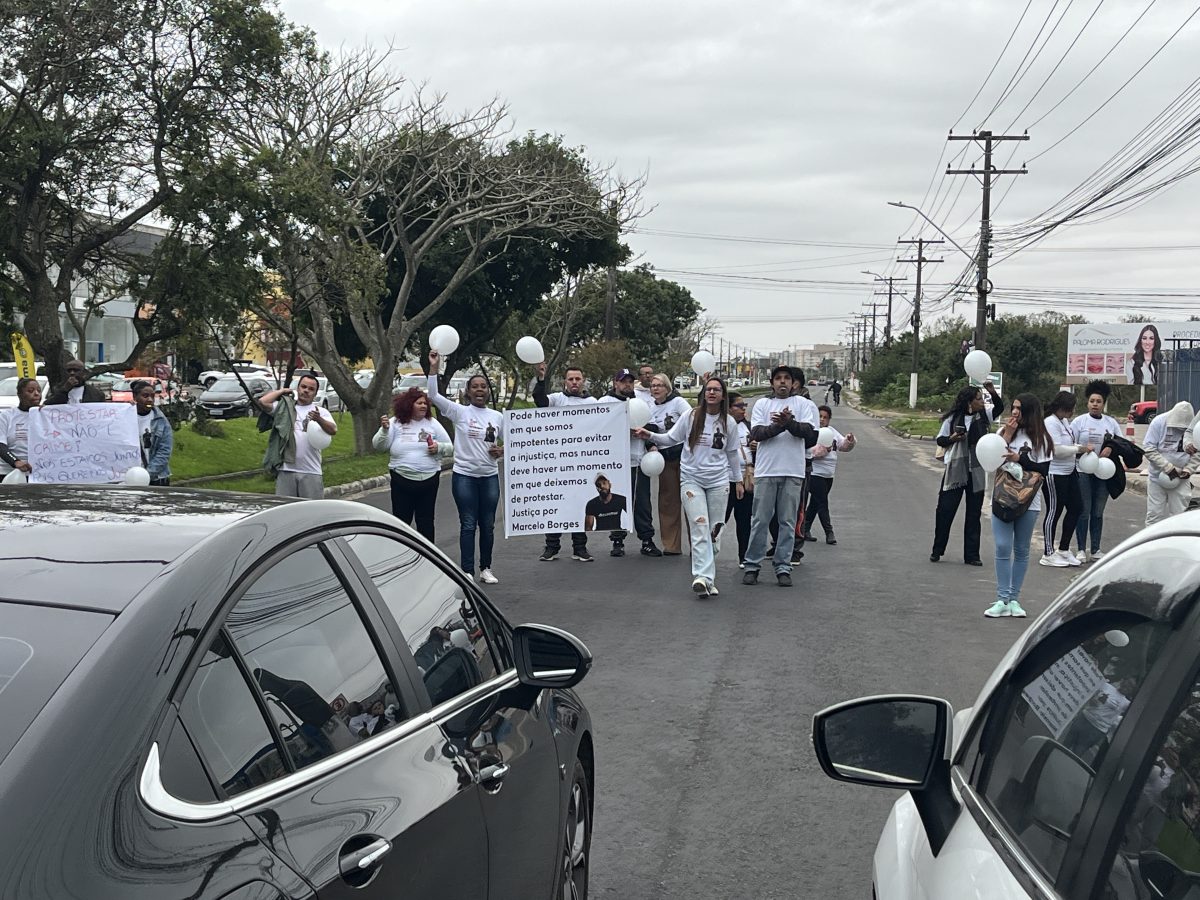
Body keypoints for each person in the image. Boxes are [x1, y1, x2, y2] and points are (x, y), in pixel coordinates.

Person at [638, 377, 742, 596]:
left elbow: (732, 453)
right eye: (709, 389)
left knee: (714, 532)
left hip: (718, 482)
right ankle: (702, 577)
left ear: (722, 395)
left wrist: (738, 480)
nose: (712, 392)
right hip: (691, 479)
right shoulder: (691, 416)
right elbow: (670, 438)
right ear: (704, 393)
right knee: (699, 525)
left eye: (717, 390)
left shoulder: (728, 422)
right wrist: (650, 436)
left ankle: (708, 579)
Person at [428, 350, 503, 584]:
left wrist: (503, 451)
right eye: (475, 387)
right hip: (465, 477)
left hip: (489, 477)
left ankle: (486, 568)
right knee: (468, 523)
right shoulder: (460, 413)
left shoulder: (498, 416)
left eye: (484, 386)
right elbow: (433, 396)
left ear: (488, 392)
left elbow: (513, 443)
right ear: (468, 392)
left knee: (488, 525)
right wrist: (433, 369)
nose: (480, 390)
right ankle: (467, 570)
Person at [742, 365, 818, 587]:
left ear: (794, 383)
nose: (782, 382)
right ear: (772, 383)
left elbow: (811, 436)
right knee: (760, 521)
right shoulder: (762, 405)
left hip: (793, 471)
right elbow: (756, 433)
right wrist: (779, 425)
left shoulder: (804, 405)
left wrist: (789, 423)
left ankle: (783, 566)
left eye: (787, 379)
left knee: (787, 522)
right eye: (778, 379)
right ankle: (752, 565)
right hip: (766, 471)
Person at [985, 393, 1053, 619]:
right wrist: (1007, 435)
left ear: (1030, 412)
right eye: (1013, 407)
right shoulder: (1001, 433)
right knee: (1003, 546)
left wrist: (1019, 459)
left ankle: (1014, 598)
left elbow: (1043, 470)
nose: (1014, 412)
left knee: (1022, 549)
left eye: (1019, 409)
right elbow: (992, 460)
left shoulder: (1042, 439)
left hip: (1028, 501)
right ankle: (1001, 599)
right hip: (1002, 497)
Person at [930, 381, 1004, 565]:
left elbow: (1000, 407)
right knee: (945, 510)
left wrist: (992, 392)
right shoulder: (953, 418)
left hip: (977, 470)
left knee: (973, 514)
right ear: (969, 402)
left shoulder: (984, 416)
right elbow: (940, 440)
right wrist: (952, 438)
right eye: (979, 399)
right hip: (956, 470)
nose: (982, 402)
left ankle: (972, 555)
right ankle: (937, 549)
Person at [533, 362, 597, 562]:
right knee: (557, 504)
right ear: (565, 382)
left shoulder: (593, 402)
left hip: (582, 463)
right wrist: (541, 379)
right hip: (558, 463)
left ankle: (580, 548)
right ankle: (551, 547)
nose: (575, 382)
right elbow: (540, 401)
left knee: (581, 505)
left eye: (578, 379)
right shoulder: (557, 399)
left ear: (583, 381)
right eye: (571, 379)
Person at [373, 386, 452, 542]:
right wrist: (384, 430)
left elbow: (451, 447)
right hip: (401, 479)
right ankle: (402, 552)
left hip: (429, 480)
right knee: (402, 521)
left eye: (425, 403)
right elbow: (379, 446)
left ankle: (429, 556)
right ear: (409, 404)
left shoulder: (432, 423)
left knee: (426, 521)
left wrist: (439, 447)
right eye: (419, 403)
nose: (423, 406)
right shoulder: (395, 422)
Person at [599, 369, 660, 557]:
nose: (627, 385)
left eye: (630, 382)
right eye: (623, 381)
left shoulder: (641, 402)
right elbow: (596, 427)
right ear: (615, 383)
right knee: (614, 502)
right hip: (614, 462)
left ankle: (647, 540)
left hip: (637, 460)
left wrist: (646, 437)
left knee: (642, 503)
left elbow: (653, 425)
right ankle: (617, 540)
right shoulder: (603, 403)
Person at [257, 372, 337, 499]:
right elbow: (263, 402)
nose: (306, 391)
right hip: (286, 469)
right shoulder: (285, 408)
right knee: (285, 511)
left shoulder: (321, 412)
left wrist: (319, 419)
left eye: (311, 389)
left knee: (311, 513)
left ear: (315, 394)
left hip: (311, 471)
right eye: (303, 387)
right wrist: (283, 391)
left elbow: (333, 430)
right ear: (298, 388)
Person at [1072, 380, 1121, 562]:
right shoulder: (1079, 422)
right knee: (1084, 511)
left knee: (1098, 512)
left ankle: (1096, 549)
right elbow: (1070, 444)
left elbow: (1121, 444)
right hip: (1082, 470)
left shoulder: (1111, 423)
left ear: (1103, 403)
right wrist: (1083, 450)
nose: (1095, 404)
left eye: (1098, 401)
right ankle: (1080, 549)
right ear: (1087, 402)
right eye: (1092, 401)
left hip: (1103, 472)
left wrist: (1111, 449)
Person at [645, 372, 692, 556]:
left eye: (659, 385)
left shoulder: (678, 403)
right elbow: (647, 430)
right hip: (663, 458)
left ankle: (697, 544)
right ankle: (671, 545)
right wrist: (651, 445)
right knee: (668, 502)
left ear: (667, 388)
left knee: (690, 498)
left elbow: (691, 420)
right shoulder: (648, 407)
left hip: (683, 456)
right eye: (653, 386)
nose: (656, 388)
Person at [1039, 391, 1085, 567]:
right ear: (1064, 408)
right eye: (1071, 408)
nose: (1073, 412)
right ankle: (1048, 553)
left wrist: (1075, 449)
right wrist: (1078, 449)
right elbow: (1056, 450)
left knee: (1076, 508)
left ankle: (1064, 549)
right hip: (1054, 473)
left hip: (1069, 471)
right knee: (1054, 511)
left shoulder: (1064, 421)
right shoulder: (1050, 422)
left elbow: (1068, 444)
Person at [803, 405, 855, 545]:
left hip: (829, 474)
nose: (822, 420)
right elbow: (810, 452)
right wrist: (825, 449)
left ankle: (804, 528)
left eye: (825, 417)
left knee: (815, 502)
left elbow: (842, 445)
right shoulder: (812, 432)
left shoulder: (831, 431)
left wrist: (849, 440)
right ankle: (829, 532)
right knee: (822, 502)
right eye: (820, 416)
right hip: (815, 473)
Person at [1143, 401, 1198, 524]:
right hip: (1157, 477)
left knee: (1179, 516)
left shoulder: (1196, 427)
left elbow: (1198, 452)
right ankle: (1153, 543)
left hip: (1181, 478)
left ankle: (1177, 542)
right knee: (1154, 515)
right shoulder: (1159, 422)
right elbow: (1148, 448)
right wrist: (1167, 467)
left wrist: (1189, 469)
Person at [724, 391, 755, 567]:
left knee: (744, 520)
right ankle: (709, 552)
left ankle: (744, 556)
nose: (743, 409)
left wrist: (757, 447)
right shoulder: (721, 427)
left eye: (744, 406)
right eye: (739, 406)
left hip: (746, 479)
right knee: (721, 519)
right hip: (726, 479)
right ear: (728, 408)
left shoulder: (749, 427)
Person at [130, 379, 173, 486]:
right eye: (145, 396)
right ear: (135, 397)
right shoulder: (126, 417)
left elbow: (165, 451)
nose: (150, 400)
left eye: (152, 396)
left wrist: (147, 475)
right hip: (130, 477)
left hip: (157, 479)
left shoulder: (161, 421)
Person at [0, 377, 42, 479]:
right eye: (30, 391)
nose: (36, 394)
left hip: (39, 474)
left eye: (39, 391)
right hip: (9, 473)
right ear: (19, 394)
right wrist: (15, 462)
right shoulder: (6, 416)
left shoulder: (45, 416)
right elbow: (1, 445)